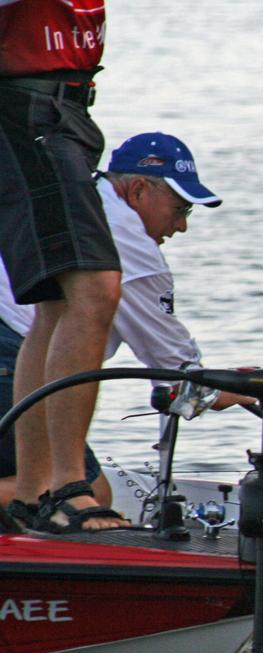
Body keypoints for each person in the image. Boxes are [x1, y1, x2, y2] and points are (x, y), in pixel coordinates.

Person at [0, 132, 255, 531]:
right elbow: (173, 367)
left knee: (72, 489)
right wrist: (230, 389)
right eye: (180, 208)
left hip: (14, 351)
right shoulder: (126, 239)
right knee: (80, 493)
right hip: (8, 356)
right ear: (137, 190)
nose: (182, 226)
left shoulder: (76, 201)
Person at [0, 0, 124, 531]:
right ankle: (67, 486)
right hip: (28, 112)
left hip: (62, 112)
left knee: (54, 303)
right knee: (94, 290)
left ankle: (31, 491)